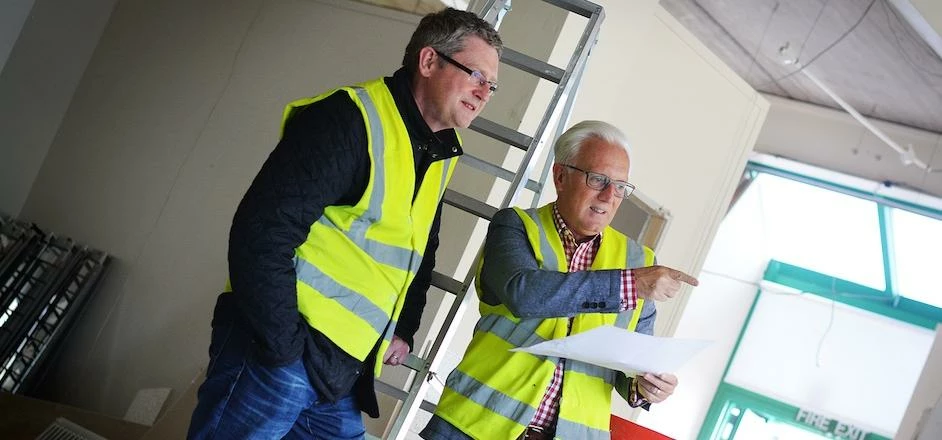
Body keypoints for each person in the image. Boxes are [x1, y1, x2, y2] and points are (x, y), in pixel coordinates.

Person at [187, 8, 502, 439]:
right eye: (476, 75)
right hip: (280, 353)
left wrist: (404, 328)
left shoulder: (441, 151)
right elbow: (261, 233)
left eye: (492, 85)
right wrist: (282, 349)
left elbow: (419, 247)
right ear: (429, 62)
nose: (484, 93)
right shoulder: (350, 118)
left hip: (340, 374)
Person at [420, 121, 699, 440]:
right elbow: (524, 294)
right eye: (598, 180)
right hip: (474, 428)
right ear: (561, 176)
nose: (609, 196)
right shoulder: (515, 227)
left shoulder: (639, 261)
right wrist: (630, 285)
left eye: (621, 186)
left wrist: (646, 387)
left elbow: (633, 361)